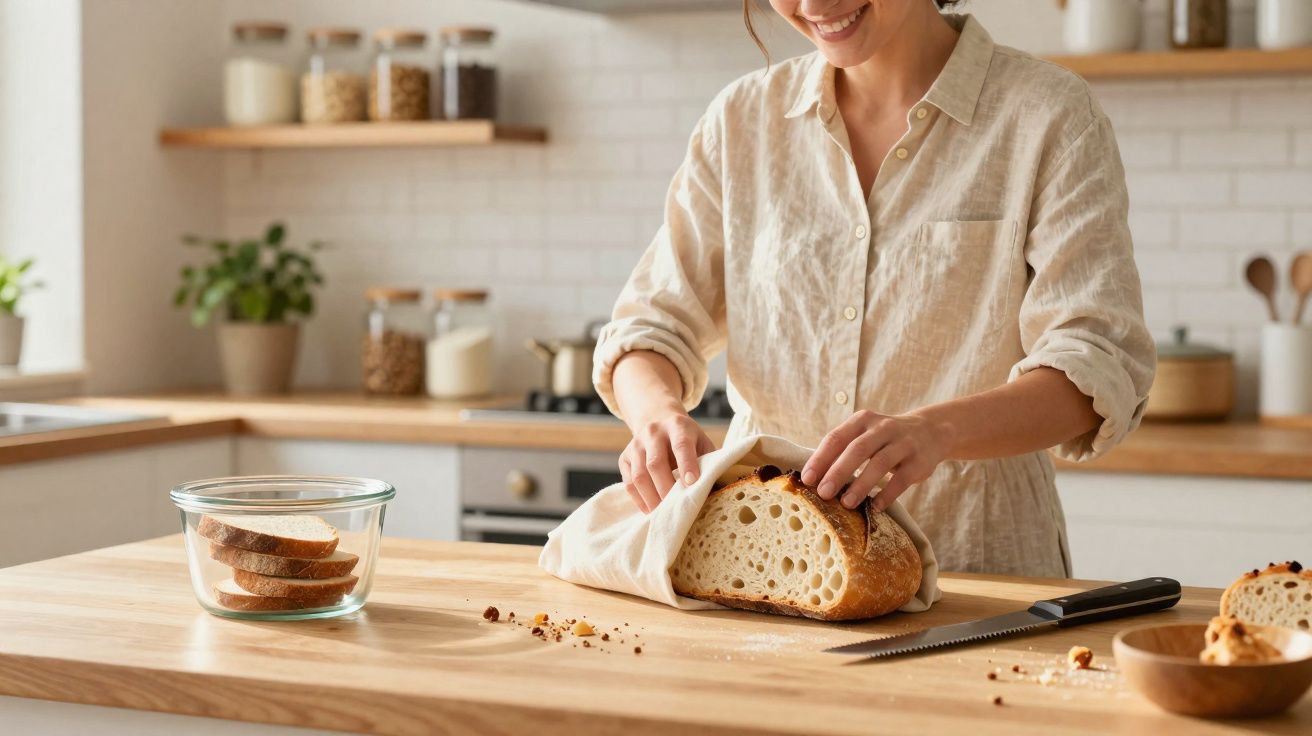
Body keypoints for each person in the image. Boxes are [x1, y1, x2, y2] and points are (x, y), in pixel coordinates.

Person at [592, 0, 1155, 577]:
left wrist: (937, 431)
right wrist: (657, 414)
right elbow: (650, 328)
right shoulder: (740, 120)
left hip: (981, 571)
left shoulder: (1048, 114)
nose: (813, 6)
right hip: (771, 571)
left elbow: (1096, 363)